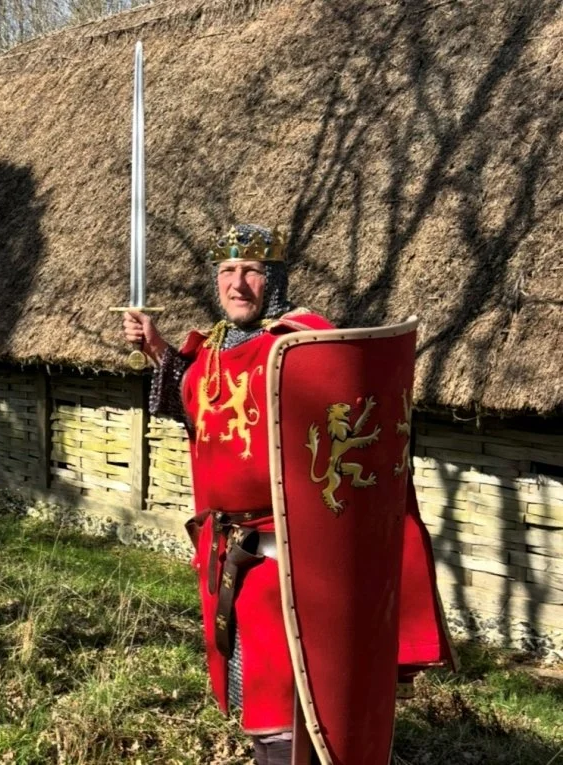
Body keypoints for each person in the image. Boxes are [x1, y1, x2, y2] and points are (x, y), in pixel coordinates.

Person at [123, 224, 454, 765]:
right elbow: (196, 406)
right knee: (255, 691)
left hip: (292, 558)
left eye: (251, 271)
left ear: (273, 279)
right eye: (227, 272)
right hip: (228, 551)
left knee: (289, 704)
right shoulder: (211, 348)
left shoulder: (304, 343)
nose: (238, 284)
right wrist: (159, 350)